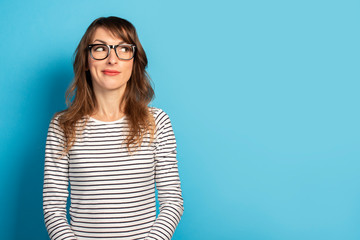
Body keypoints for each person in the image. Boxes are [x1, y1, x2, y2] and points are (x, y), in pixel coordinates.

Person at [42, 16, 184, 240]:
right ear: (87, 61)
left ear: (134, 61)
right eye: (100, 48)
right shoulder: (62, 125)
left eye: (123, 49)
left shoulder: (157, 122)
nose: (112, 59)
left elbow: (172, 202)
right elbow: (53, 207)